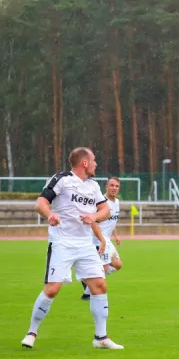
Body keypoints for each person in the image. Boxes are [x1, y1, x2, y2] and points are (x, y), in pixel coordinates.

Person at [21, 147, 124, 350]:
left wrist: (93, 217)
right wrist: (49, 214)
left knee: (99, 286)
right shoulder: (62, 179)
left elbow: (104, 210)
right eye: (93, 160)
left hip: (86, 245)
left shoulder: (93, 186)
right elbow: (40, 203)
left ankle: (101, 338)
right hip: (62, 243)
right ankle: (31, 332)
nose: (96, 164)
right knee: (52, 289)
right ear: (84, 163)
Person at [81, 177, 123, 300]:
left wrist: (115, 235)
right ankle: (87, 293)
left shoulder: (117, 202)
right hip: (99, 240)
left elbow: (112, 220)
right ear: (106, 187)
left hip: (108, 240)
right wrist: (101, 240)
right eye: (112, 185)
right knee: (103, 268)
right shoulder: (101, 203)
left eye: (116, 186)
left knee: (117, 265)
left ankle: (87, 279)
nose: (114, 188)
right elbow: (93, 221)